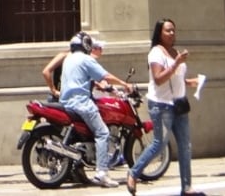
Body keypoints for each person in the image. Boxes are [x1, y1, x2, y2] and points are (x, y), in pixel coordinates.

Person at [129, 19, 204, 196]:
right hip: (161, 106)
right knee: (159, 143)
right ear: (159, 33)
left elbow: (174, 79)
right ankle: (133, 173)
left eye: (173, 31)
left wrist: (189, 82)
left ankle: (187, 187)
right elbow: (159, 79)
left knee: (185, 145)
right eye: (168, 31)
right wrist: (176, 62)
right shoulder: (156, 53)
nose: (172, 34)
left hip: (178, 104)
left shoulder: (174, 52)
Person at [58, 31, 131, 188]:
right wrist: (124, 84)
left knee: (88, 132)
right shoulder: (86, 59)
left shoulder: (68, 59)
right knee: (103, 133)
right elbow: (104, 76)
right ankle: (102, 173)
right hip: (82, 103)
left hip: (66, 102)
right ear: (86, 45)